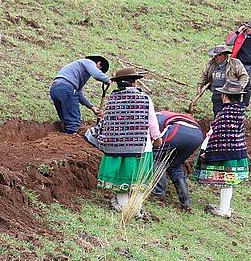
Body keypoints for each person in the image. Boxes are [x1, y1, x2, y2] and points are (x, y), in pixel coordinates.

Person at [86, 67, 160, 213]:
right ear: (134, 83)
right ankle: (136, 208)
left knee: (121, 177)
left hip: (115, 146)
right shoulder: (144, 99)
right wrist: (157, 137)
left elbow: (107, 121)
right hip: (140, 147)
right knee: (138, 179)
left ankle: (123, 204)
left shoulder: (113, 99)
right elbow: (152, 121)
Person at [194, 82, 250, 218]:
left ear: (225, 96)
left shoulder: (224, 114)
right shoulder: (240, 112)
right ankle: (225, 207)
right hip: (238, 151)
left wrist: (207, 151)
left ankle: (223, 210)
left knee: (226, 180)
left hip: (225, 153)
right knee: (229, 181)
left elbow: (217, 134)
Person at [152, 110, 203, 211]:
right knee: (174, 165)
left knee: (155, 156)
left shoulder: (154, 117)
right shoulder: (164, 114)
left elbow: (154, 136)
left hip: (178, 129)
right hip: (197, 134)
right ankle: (185, 201)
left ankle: (157, 194)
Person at [49, 55, 110, 133]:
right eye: (99, 70)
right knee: (74, 121)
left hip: (55, 89)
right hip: (67, 89)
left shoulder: (76, 72)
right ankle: (71, 138)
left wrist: (91, 107)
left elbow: (78, 94)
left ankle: (65, 137)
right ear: (99, 64)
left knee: (66, 120)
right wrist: (108, 80)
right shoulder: (89, 62)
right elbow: (97, 75)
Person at [190, 44, 248, 114]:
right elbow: (204, 76)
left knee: (231, 114)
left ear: (225, 54)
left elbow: (244, 76)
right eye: (216, 55)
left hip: (231, 95)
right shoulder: (211, 64)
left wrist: (238, 87)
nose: (218, 57)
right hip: (217, 94)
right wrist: (200, 86)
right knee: (217, 113)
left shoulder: (235, 63)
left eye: (220, 55)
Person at [222, 19, 251, 108]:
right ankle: (233, 102)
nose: (250, 29)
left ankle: (245, 105)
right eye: (249, 27)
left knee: (248, 85)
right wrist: (238, 31)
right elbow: (228, 42)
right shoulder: (240, 35)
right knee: (234, 83)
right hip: (238, 63)